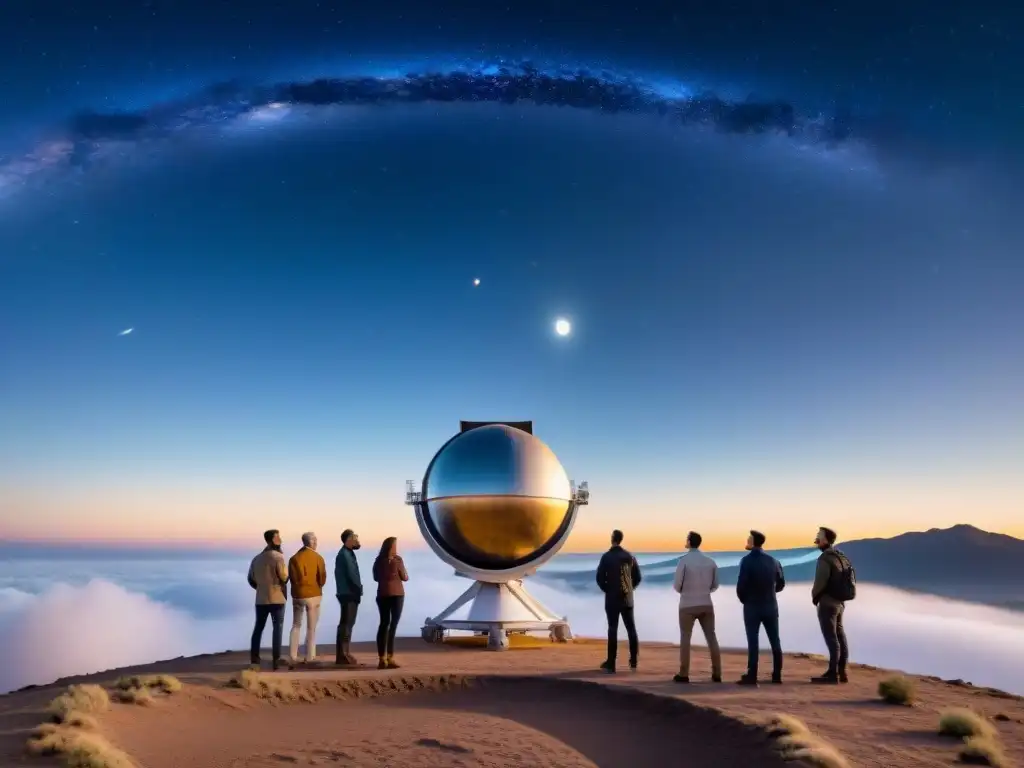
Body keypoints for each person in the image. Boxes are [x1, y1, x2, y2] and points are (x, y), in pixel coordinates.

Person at [735, 529, 786, 685]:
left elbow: (740, 586)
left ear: (753, 542)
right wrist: (771, 593)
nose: (747, 541)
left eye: (749, 539)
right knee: (775, 640)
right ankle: (777, 675)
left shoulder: (746, 561)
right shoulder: (774, 561)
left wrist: (746, 600)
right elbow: (781, 583)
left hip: (752, 606)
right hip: (771, 605)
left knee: (753, 640)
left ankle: (752, 676)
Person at [672, 531, 722, 684]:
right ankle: (717, 673)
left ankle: (684, 673)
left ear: (689, 541)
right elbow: (715, 585)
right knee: (711, 637)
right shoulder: (710, 561)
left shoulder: (683, 561)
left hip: (687, 604)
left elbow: (677, 585)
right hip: (706, 603)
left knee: (686, 638)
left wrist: (687, 591)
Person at [810, 526, 855, 684]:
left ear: (826, 540)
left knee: (831, 638)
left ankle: (832, 674)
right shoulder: (841, 556)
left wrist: (815, 597)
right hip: (840, 603)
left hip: (828, 603)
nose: (816, 539)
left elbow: (820, 582)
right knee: (840, 636)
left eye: (819, 536)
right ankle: (842, 672)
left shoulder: (825, 559)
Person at [596, 529, 642, 673]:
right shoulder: (629, 556)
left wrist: (608, 589)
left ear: (612, 539)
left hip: (612, 599)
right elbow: (638, 577)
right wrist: (629, 588)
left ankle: (611, 663)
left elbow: (599, 578)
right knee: (631, 629)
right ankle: (633, 661)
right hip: (627, 598)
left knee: (612, 629)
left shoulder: (607, 557)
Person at [247, 529, 289, 671]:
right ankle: (276, 661)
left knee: (258, 628)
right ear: (272, 540)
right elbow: (284, 576)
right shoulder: (278, 557)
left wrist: (261, 588)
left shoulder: (256, 559)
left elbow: (251, 579)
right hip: (277, 598)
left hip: (260, 599)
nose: (280, 539)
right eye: (278, 537)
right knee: (277, 627)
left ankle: (254, 660)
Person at [287, 531, 327, 666]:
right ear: (312, 542)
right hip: (314, 595)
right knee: (311, 628)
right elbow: (322, 579)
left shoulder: (293, 558)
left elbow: (292, 579)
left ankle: (293, 655)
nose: (316, 543)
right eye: (315, 540)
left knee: (296, 625)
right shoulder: (318, 558)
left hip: (298, 595)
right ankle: (310, 656)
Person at [372, 536, 409, 670]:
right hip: (397, 595)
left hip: (382, 594)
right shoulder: (398, 560)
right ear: (391, 547)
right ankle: (390, 657)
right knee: (392, 626)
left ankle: (382, 659)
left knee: (383, 624)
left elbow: (375, 577)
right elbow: (405, 577)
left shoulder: (378, 560)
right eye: (395, 545)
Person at [334, 529, 363, 666]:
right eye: (356, 537)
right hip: (348, 593)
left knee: (348, 624)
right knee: (346, 624)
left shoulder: (347, 553)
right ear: (349, 539)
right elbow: (352, 575)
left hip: (347, 592)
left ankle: (345, 653)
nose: (358, 540)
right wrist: (359, 589)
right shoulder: (345, 555)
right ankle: (342, 655)